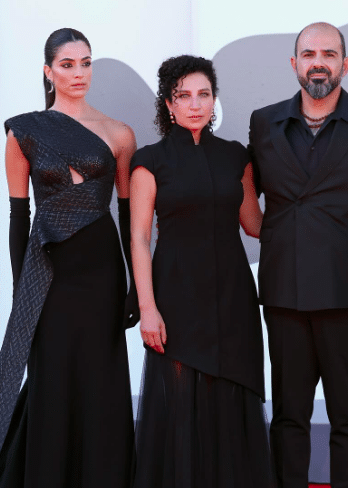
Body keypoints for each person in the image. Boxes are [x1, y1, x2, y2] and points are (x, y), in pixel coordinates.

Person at [0, 28, 136, 488]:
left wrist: (133, 286)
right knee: (52, 381)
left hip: (102, 274)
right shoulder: (24, 131)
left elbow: (128, 218)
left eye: (85, 63)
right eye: (67, 64)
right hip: (48, 274)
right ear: (48, 71)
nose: (79, 73)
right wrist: (22, 291)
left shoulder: (120, 134)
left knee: (100, 381)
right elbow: (18, 217)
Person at [248, 22, 348, 487]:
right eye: (309, 54)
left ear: (346, 63)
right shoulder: (264, 121)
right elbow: (239, 189)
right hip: (285, 286)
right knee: (288, 415)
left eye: (329, 54)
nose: (318, 62)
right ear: (294, 63)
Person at [130, 55, 273, 488]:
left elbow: (255, 225)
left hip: (233, 298)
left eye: (204, 95)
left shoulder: (235, 157)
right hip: (175, 299)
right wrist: (148, 308)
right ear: (168, 104)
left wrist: (311, 204)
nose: (195, 104)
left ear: (214, 100)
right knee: (180, 408)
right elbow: (139, 239)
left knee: (231, 402)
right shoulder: (149, 161)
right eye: (184, 96)